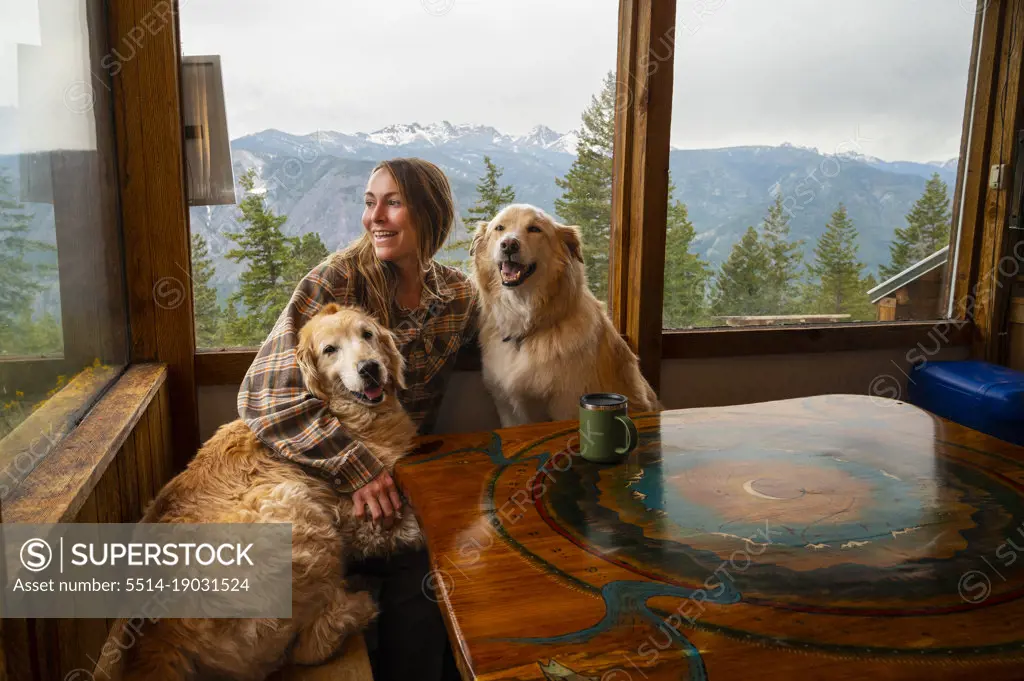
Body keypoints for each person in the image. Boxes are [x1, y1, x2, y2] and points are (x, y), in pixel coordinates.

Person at [237, 157, 477, 681]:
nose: (376, 217)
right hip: (328, 475)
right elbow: (261, 395)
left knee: (452, 558)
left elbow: (519, 330)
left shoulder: (457, 297)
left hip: (406, 467)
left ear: (431, 214)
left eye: (393, 203)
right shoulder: (333, 281)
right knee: (415, 564)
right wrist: (357, 467)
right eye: (370, 203)